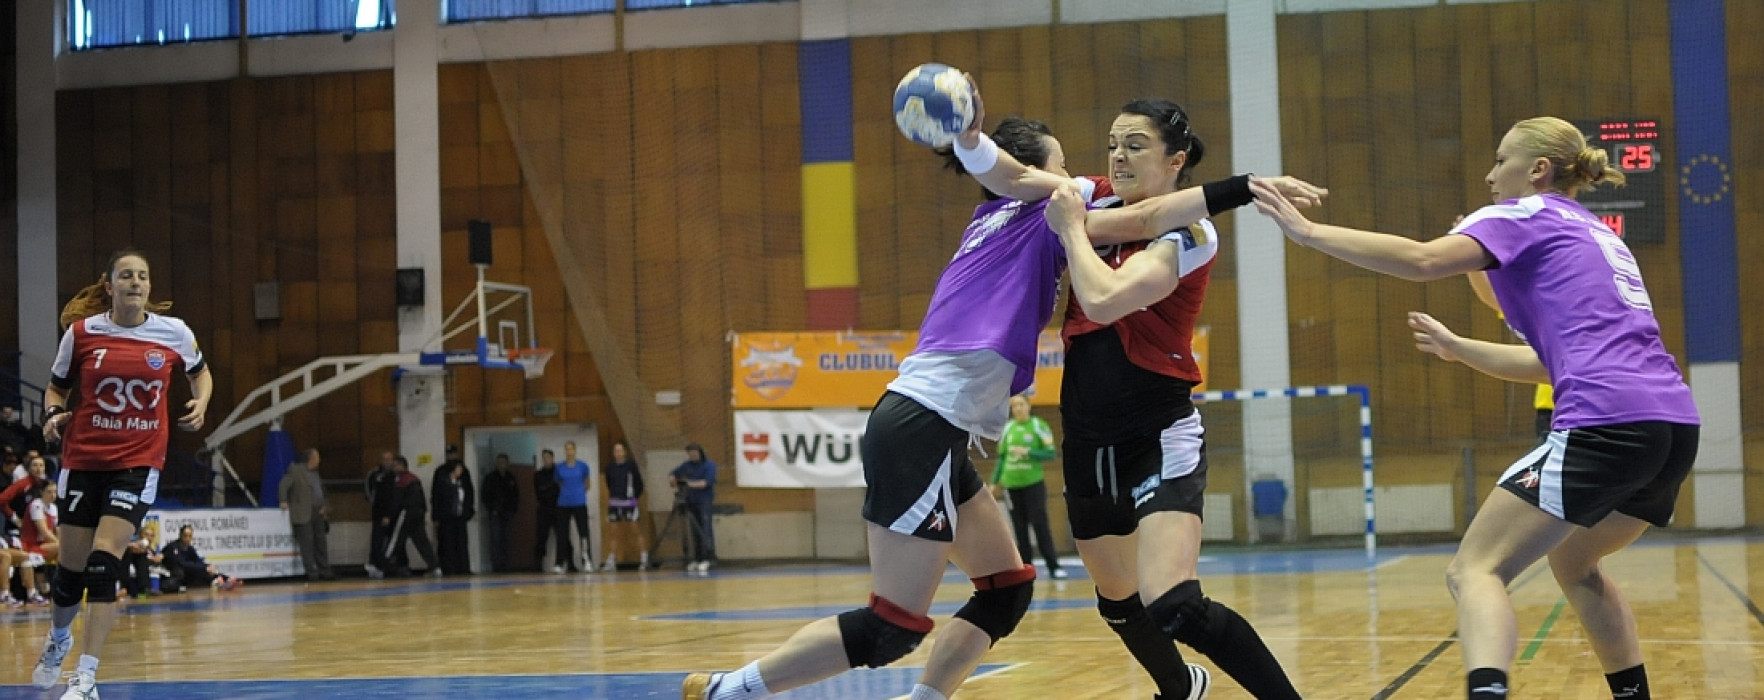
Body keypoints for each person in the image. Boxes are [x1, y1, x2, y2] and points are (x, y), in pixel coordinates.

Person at [682, 100, 1318, 699]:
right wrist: (970, 140)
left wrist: (971, 142)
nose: (1081, 175)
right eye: (1067, 164)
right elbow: (1059, 193)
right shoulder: (1046, 209)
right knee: (893, 624)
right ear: (1038, 176)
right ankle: (728, 690)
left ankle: (927, 696)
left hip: (941, 428)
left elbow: (1143, 217)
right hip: (922, 423)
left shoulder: (1022, 216)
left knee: (1007, 588)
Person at [1251, 116, 1699, 700]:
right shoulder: (1597, 234)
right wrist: (1461, 350)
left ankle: (1486, 692)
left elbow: (1420, 259)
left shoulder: (1522, 213)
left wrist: (1308, 232)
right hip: (1671, 426)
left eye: (1499, 160)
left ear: (1536, 170)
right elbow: (1551, 364)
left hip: (1606, 420)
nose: (1490, 175)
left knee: (1474, 570)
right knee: (1574, 562)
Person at [1042, 98, 1305, 700]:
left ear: (1175, 160)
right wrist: (974, 141)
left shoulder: (1190, 233)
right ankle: (1180, 688)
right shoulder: (1095, 200)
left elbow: (1107, 299)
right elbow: (1026, 182)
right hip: (1086, 439)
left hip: (1157, 435)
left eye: (1136, 144)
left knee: (1176, 603)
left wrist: (1071, 233)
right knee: (1118, 602)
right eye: (1113, 143)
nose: (1118, 155)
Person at [31, 250, 214, 700]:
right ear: (109, 286)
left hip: (137, 462)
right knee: (68, 576)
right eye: (126, 276)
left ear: (149, 286)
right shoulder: (82, 334)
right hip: (83, 461)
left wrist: (201, 402)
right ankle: (59, 638)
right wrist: (53, 413)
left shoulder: (174, 333)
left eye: (143, 276)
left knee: (103, 560)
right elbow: (57, 385)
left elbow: (201, 372)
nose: (136, 282)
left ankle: (87, 677)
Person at [990, 394, 1064, 580]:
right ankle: (1025, 569)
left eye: (1021, 405)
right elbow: (1002, 458)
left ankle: (1053, 566)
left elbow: (1050, 454)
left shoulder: (1039, 426)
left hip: (1033, 484)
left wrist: (1028, 452)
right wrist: (993, 482)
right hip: (1011, 486)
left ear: (1028, 406)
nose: (1017, 409)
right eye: (1014, 406)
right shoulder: (1007, 429)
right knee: (1019, 527)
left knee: (1040, 525)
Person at [278, 448, 334, 581]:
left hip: (318, 512)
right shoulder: (296, 470)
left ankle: (325, 570)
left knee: (321, 543)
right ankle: (312, 572)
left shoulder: (316, 474)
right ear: (311, 459)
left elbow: (322, 492)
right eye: (317, 457)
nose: (319, 460)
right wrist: (283, 500)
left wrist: (325, 507)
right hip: (303, 513)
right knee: (307, 544)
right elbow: (283, 485)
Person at [384, 455, 442, 577]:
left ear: (401, 465)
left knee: (395, 540)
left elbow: (396, 501)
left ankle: (381, 566)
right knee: (422, 542)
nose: (393, 468)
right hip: (418, 514)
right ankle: (435, 567)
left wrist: (389, 515)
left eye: (395, 465)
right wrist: (423, 513)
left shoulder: (402, 481)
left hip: (406, 513)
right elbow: (422, 499)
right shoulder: (414, 479)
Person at [669, 444, 717, 573]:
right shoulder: (687, 465)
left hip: (704, 502)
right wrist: (673, 478)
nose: (692, 456)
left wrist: (689, 484)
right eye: (690, 453)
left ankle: (709, 558)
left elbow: (706, 483)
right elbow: (674, 473)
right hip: (691, 502)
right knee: (694, 532)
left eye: (694, 453)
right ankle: (698, 558)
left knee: (705, 529)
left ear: (700, 452)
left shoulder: (709, 465)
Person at [602, 439, 648, 571]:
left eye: (620, 450)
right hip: (615, 502)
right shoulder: (610, 467)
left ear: (625, 452)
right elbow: (609, 483)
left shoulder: (631, 466)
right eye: (615, 451)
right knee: (613, 532)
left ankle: (644, 558)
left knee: (636, 530)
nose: (618, 453)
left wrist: (634, 497)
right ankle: (611, 560)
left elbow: (639, 483)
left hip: (630, 503)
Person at [159, 525, 241, 592]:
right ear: (180, 535)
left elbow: (198, 561)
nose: (187, 538)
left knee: (203, 568)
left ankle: (226, 579)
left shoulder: (190, 548)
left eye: (190, 536)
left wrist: (208, 566)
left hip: (185, 573)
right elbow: (182, 563)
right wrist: (204, 567)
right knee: (196, 569)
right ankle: (217, 582)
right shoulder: (173, 547)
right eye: (185, 536)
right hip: (172, 575)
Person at [553, 442, 592, 574]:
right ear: (565, 451)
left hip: (579, 503)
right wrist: (567, 493)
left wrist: (578, 493)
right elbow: (559, 482)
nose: (569, 451)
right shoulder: (559, 467)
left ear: (575, 450)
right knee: (562, 534)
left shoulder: (583, 466)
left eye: (571, 449)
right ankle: (559, 563)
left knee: (584, 534)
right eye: (567, 449)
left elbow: (587, 484)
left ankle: (587, 561)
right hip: (563, 504)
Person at [433, 458, 475, 575]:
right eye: (458, 468)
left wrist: (468, 511)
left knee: (462, 543)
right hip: (447, 518)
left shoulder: (461, 483)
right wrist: (436, 516)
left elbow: (467, 498)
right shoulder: (444, 483)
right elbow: (438, 500)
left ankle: (463, 568)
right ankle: (449, 569)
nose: (460, 471)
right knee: (448, 544)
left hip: (460, 517)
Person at [364, 450, 400, 579]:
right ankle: (375, 565)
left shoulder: (394, 476)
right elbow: (370, 491)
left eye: (389, 459)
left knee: (390, 542)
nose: (387, 462)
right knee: (376, 541)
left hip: (391, 515)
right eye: (385, 459)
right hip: (378, 513)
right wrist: (373, 502)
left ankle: (386, 566)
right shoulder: (374, 474)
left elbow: (393, 497)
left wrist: (389, 515)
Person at [480, 452, 516, 573]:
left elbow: (516, 495)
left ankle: (505, 566)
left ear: (507, 464)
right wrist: (492, 509)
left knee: (506, 539)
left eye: (503, 462)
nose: (501, 465)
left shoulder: (511, 478)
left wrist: (513, 509)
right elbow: (484, 495)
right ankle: (496, 566)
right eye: (499, 462)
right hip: (495, 513)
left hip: (507, 513)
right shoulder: (490, 478)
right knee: (495, 539)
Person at [533, 448, 561, 571]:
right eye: (544, 458)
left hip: (558, 508)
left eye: (548, 457)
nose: (546, 460)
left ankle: (566, 563)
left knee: (562, 536)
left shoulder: (558, 472)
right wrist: (549, 489)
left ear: (552, 458)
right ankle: (538, 564)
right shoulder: (538, 474)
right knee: (541, 537)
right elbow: (539, 491)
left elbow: (559, 489)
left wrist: (550, 489)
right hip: (544, 508)